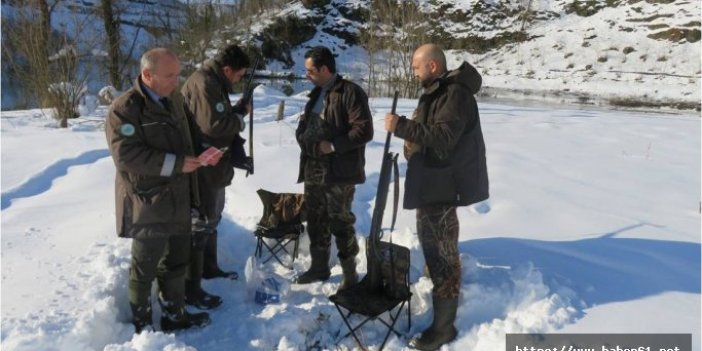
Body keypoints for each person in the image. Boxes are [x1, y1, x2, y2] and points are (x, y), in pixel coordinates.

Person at [384, 44, 489, 351]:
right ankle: (441, 309)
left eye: (416, 68)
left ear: (431, 66)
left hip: (443, 188)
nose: (413, 73)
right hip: (431, 185)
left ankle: (444, 329)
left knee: (442, 257)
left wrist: (401, 127)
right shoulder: (436, 93)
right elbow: (428, 133)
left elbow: (443, 138)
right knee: (435, 250)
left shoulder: (455, 94)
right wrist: (410, 144)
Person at [105, 48, 213, 333]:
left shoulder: (174, 99)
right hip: (148, 201)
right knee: (144, 268)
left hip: (180, 196)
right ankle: (143, 328)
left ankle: (174, 315)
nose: (176, 81)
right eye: (169, 76)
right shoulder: (125, 109)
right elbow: (126, 156)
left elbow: (191, 134)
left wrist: (204, 150)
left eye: (177, 74)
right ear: (147, 75)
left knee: (177, 260)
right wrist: (177, 164)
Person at [294, 46, 373, 291]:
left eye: (310, 70)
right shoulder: (315, 94)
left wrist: (333, 146)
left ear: (325, 69)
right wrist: (302, 136)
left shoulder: (350, 92)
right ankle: (319, 268)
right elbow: (306, 126)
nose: (306, 75)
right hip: (313, 169)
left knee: (340, 221)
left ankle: (350, 275)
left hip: (338, 172)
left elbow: (364, 131)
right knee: (316, 219)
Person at [180, 44, 251, 309]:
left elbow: (218, 117)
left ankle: (208, 267)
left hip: (213, 164)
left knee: (212, 217)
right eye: (239, 74)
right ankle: (191, 287)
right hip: (203, 165)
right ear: (227, 69)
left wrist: (235, 112)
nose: (239, 79)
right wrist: (241, 117)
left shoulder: (213, 82)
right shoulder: (204, 83)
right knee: (201, 221)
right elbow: (215, 126)